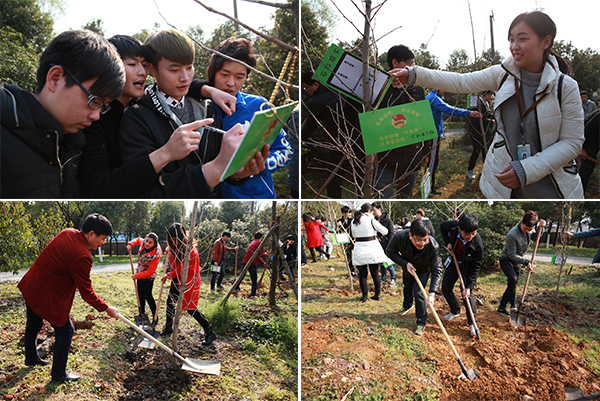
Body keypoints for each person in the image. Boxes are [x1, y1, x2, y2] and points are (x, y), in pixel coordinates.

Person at [391, 11, 584, 199]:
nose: (514, 46)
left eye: (522, 39)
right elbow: (461, 81)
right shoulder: (503, 74)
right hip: (506, 190)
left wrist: (526, 169)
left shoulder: (565, 86)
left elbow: (572, 142)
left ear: (546, 42)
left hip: (554, 189)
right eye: (511, 39)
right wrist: (414, 74)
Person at [79, 34, 244, 198]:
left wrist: (209, 90)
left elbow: (177, 85)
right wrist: (166, 153)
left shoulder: (207, 107)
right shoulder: (103, 118)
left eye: (143, 64)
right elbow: (98, 187)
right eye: (132, 64)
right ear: (112, 68)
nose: (142, 72)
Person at [119, 29, 269, 198]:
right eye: (174, 70)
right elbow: (148, 191)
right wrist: (215, 169)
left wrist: (236, 172)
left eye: (189, 67)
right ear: (152, 70)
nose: (185, 77)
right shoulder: (136, 119)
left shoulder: (208, 107)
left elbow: (222, 163)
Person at [1, 29, 124, 198]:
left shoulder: (74, 147)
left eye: (103, 107)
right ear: (55, 78)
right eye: (94, 101)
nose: (96, 116)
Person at [17, 213, 119, 382]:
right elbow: (87, 293)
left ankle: (31, 357)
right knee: (66, 330)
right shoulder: (82, 255)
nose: (103, 243)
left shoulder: (68, 232)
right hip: (44, 292)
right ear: (91, 234)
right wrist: (107, 308)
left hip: (32, 285)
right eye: (102, 238)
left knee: (35, 323)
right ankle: (58, 374)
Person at [207, 37, 294, 198]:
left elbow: (286, 150)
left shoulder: (260, 107)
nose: (231, 83)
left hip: (258, 196)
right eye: (224, 74)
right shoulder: (199, 108)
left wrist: (259, 165)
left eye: (239, 77)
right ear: (212, 72)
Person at [374, 45, 428, 199]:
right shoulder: (379, 88)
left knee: (405, 197)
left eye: (413, 63)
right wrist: (373, 151)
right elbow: (369, 122)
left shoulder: (417, 89)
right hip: (386, 157)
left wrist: (425, 151)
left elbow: (423, 120)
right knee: (383, 197)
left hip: (412, 155)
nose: (412, 67)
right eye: (408, 63)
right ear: (395, 63)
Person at [160, 223, 217, 346]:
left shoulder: (190, 250)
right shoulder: (175, 247)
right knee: (170, 302)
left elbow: (182, 269)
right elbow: (174, 264)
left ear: (181, 237)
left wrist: (168, 275)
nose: (173, 242)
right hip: (177, 279)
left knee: (191, 309)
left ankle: (210, 332)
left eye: (175, 240)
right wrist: (169, 250)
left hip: (188, 282)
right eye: (171, 240)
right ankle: (169, 327)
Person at [386, 219, 444, 335]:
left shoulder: (433, 246)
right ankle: (407, 306)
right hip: (408, 265)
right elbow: (390, 251)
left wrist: (432, 293)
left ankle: (421, 322)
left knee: (419, 293)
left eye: (425, 240)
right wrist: (405, 263)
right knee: (407, 287)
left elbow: (437, 269)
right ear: (410, 235)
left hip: (423, 270)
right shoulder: (399, 237)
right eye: (418, 240)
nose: (422, 244)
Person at [426, 89, 482, 195]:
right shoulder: (434, 98)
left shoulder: (433, 97)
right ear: (438, 87)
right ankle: (430, 188)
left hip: (435, 133)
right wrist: (469, 113)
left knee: (434, 161)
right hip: (433, 134)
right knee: (432, 162)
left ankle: (431, 185)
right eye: (443, 87)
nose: (445, 90)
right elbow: (450, 110)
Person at [301, 71, 347, 198]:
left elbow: (307, 131)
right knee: (361, 176)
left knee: (334, 179)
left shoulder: (316, 101)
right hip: (357, 138)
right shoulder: (340, 87)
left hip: (338, 143)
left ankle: (334, 198)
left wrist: (295, 137)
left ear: (316, 84)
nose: (305, 91)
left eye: (306, 87)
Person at [440, 214, 483, 336]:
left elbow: (476, 267)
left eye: (473, 234)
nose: (470, 237)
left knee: (466, 294)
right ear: (460, 229)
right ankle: (455, 311)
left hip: (467, 267)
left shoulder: (478, 244)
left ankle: (472, 323)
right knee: (446, 288)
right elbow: (442, 227)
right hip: (454, 261)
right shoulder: (454, 226)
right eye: (467, 235)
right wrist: (448, 243)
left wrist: (469, 286)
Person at [498, 211, 546, 316]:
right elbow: (511, 254)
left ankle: (502, 307)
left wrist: (541, 228)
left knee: (512, 284)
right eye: (526, 229)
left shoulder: (530, 230)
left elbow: (536, 237)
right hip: (507, 260)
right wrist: (526, 262)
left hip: (517, 262)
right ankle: (513, 304)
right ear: (521, 222)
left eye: (530, 229)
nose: (527, 231)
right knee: (513, 279)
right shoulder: (512, 234)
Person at [350, 203, 388, 302]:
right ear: (370, 211)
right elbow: (385, 231)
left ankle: (364, 296)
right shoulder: (371, 219)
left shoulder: (354, 221)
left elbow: (353, 234)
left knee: (362, 274)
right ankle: (377, 295)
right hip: (371, 247)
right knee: (375, 273)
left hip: (359, 247)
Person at [127, 232, 162, 322]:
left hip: (149, 276)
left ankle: (155, 316)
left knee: (147, 295)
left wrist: (136, 276)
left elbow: (150, 271)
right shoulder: (143, 243)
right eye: (146, 241)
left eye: (150, 242)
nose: (147, 243)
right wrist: (131, 244)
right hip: (140, 273)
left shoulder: (156, 254)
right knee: (140, 295)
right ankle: (141, 314)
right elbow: (138, 239)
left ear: (154, 244)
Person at [467, 91, 495, 180]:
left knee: (485, 149)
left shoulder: (485, 104)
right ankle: (470, 170)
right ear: (486, 95)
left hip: (483, 132)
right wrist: (491, 122)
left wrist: (495, 116)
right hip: (476, 131)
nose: (491, 97)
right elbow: (478, 119)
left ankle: (486, 169)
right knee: (477, 150)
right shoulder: (477, 103)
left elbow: (486, 115)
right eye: (491, 95)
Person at [372, 202, 396, 285]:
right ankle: (383, 278)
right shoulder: (373, 221)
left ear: (379, 209)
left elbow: (391, 233)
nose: (373, 212)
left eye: (374, 210)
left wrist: (389, 246)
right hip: (378, 245)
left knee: (389, 263)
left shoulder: (387, 220)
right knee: (381, 263)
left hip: (387, 244)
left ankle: (393, 279)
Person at [239, 232, 269, 299]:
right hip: (252, 263)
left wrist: (263, 263)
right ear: (261, 238)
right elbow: (261, 255)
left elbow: (257, 255)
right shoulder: (259, 243)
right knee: (254, 279)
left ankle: (236, 289)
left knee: (241, 276)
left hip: (245, 261)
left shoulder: (252, 243)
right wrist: (267, 254)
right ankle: (253, 295)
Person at [578, 109, 600, 193]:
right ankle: (580, 194)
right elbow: (586, 130)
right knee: (587, 168)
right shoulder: (597, 118)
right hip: (588, 139)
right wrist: (581, 148)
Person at [337, 205, 355, 275]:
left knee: (357, 255)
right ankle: (352, 271)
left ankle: (359, 270)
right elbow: (337, 232)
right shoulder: (339, 221)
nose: (350, 214)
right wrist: (338, 226)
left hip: (353, 240)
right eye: (348, 213)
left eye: (350, 213)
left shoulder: (353, 220)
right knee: (349, 256)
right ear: (344, 213)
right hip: (345, 241)